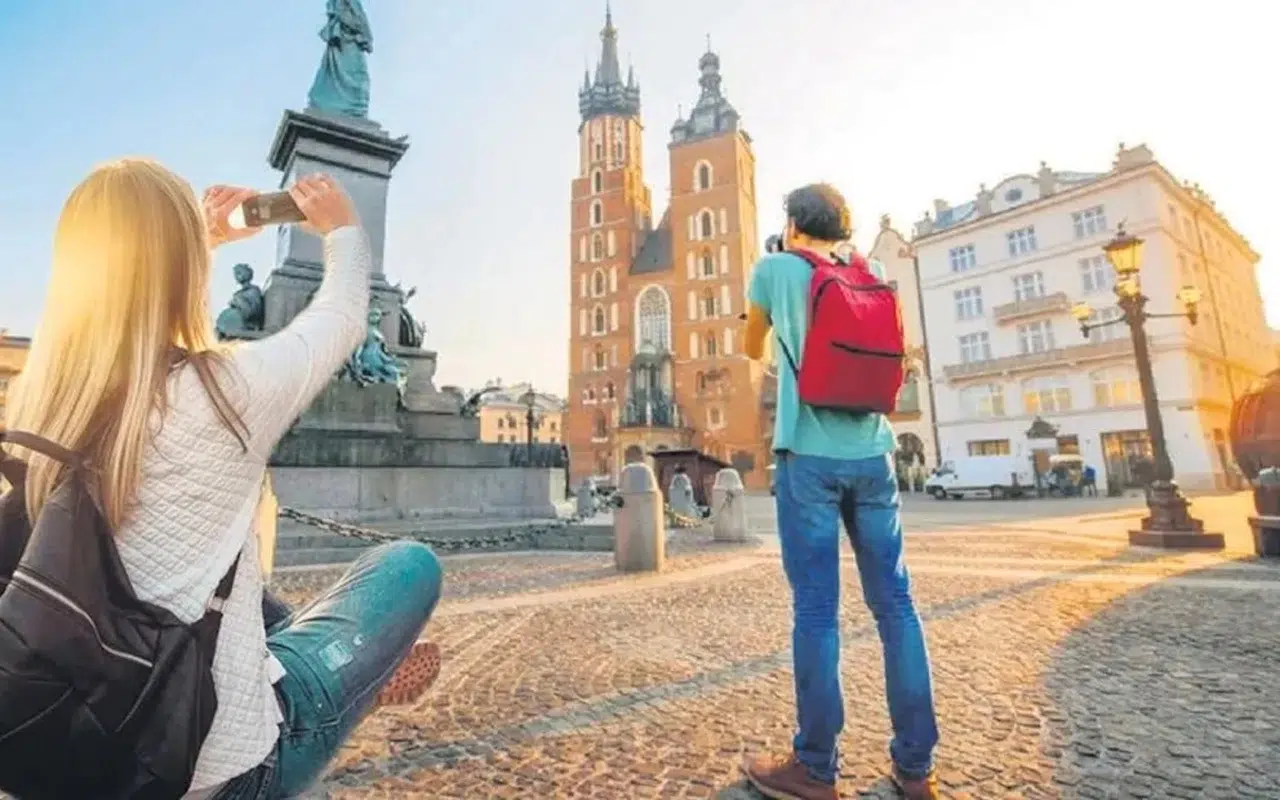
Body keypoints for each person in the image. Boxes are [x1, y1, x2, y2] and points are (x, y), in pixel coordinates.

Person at [1, 159, 442, 799]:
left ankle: (315, 662)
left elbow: (138, 325)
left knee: (235, 578)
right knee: (410, 564)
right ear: (183, 266)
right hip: (218, 770)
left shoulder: (41, 401)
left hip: (73, 731)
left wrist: (193, 243)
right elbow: (344, 319)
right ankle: (347, 681)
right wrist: (343, 228)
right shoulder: (225, 393)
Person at [740, 184, 939, 800]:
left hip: (809, 455)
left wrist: (782, 301)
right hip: (875, 454)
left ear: (794, 223)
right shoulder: (871, 270)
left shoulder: (774, 267)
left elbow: (754, 349)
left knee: (818, 612)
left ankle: (815, 768)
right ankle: (914, 769)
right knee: (897, 609)